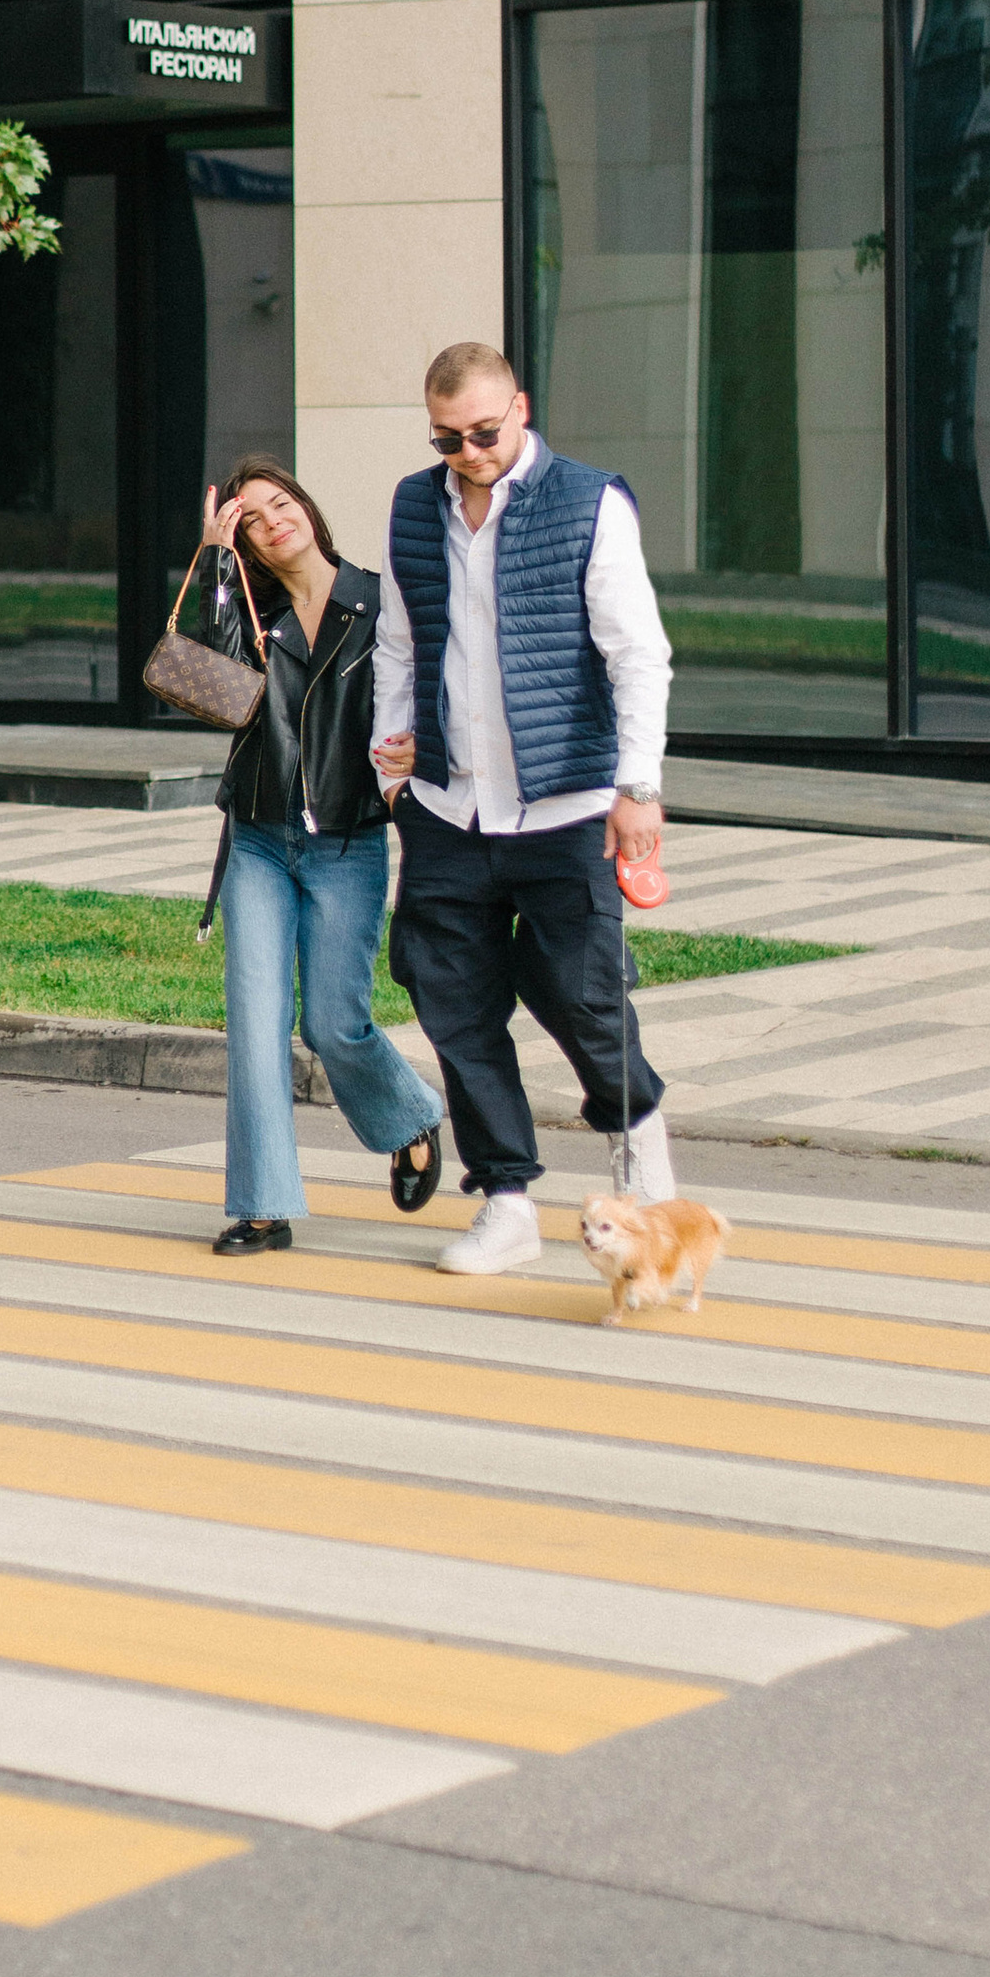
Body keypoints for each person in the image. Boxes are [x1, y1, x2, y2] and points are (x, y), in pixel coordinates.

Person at [370, 340, 676, 1275]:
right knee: (454, 1005)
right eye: (448, 437)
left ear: (522, 408)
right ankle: (505, 1201)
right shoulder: (415, 505)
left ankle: (647, 1180)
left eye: (484, 432)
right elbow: (398, 642)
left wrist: (638, 790)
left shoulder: (589, 502)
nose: (467, 452)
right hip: (447, 810)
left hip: (568, 807)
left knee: (584, 1001)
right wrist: (391, 765)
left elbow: (638, 653)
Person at [191, 457, 447, 1257]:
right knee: (255, 1025)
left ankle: (411, 1117)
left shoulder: (376, 602)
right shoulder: (251, 613)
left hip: (347, 844)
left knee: (334, 1027)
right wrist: (215, 563)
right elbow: (218, 692)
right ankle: (263, 1206)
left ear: (306, 506)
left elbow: (415, 698)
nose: (273, 520)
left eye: (281, 503)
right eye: (252, 520)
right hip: (260, 843)